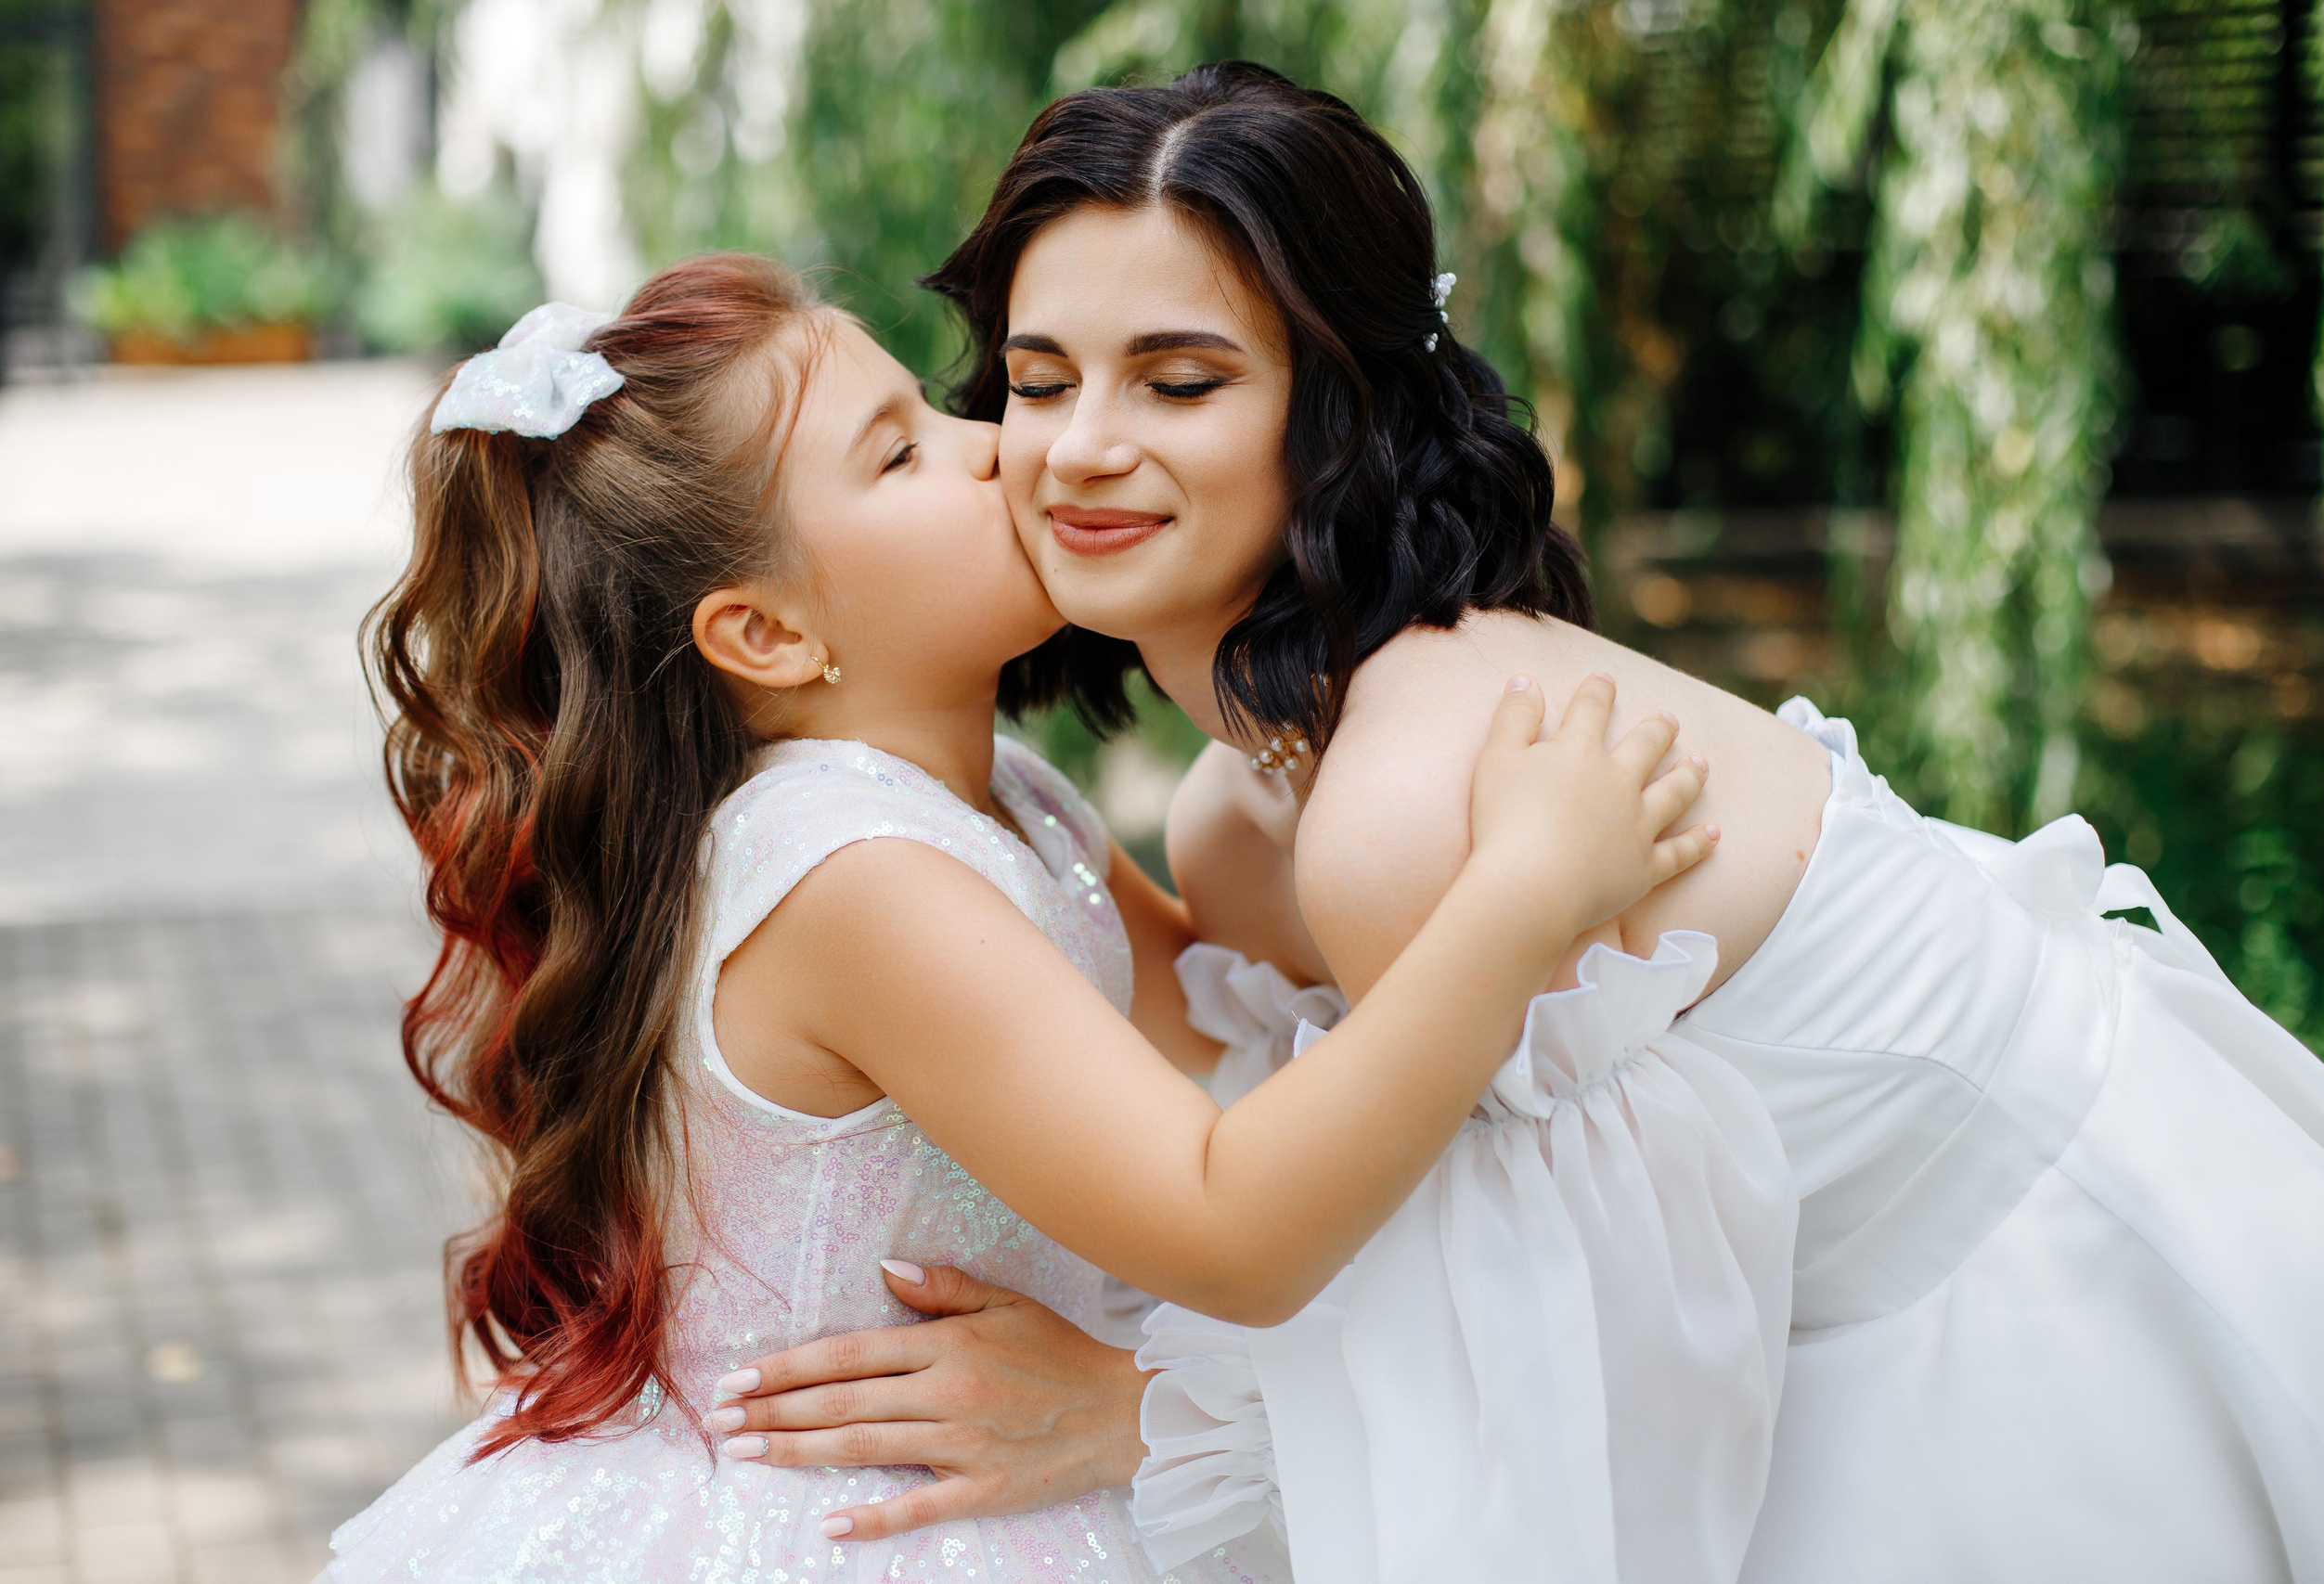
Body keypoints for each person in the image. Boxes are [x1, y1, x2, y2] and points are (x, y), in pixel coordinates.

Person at [732, 61, 2324, 1584]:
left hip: (2043, 1317)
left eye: (1180, 381)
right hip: (1851, 1326)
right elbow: (1264, 1121)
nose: (1083, 450)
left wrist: (1141, 1415)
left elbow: (1594, 1358)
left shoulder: (1406, 802)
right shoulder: (1247, 810)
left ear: (1337, 411)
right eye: (1039, 381)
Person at [320, 252, 1741, 1582]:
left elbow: (1222, 1041)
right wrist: (1519, 896)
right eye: (900, 454)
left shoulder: (1003, 796)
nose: (998, 443)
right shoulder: (853, 877)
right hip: (852, 1522)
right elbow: (1231, 1219)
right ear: (769, 635)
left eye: (940, 411)